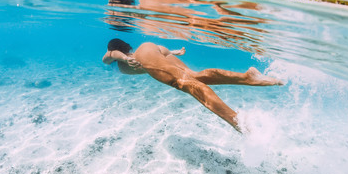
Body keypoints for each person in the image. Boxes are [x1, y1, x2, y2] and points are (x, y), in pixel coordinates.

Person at [103, 38, 283, 133]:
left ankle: (238, 122)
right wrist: (175, 52)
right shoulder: (139, 51)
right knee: (194, 76)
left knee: (184, 83)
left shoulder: (115, 59)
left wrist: (126, 58)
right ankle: (248, 77)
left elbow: (111, 54)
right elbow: (160, 52)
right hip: (155, 50)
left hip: (146, 55)